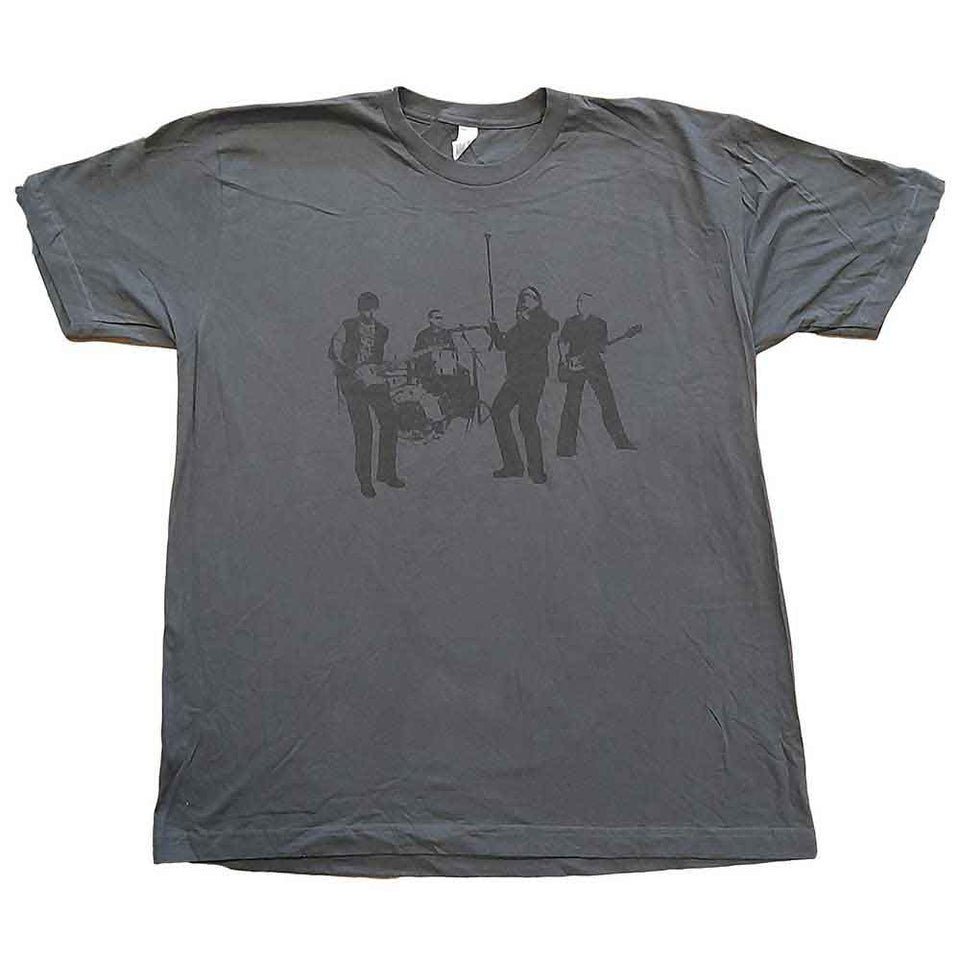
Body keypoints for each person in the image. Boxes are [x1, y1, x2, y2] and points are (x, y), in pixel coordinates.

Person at [328, 292, 405, 498]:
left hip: (375, 381)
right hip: (353, 383)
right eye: (365, 310)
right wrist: (352, 368)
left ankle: (386, 473)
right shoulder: (347, 326)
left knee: (390, 422)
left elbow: (387, 356)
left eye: (372, 310)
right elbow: (334, 351)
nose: (369, 313)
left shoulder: (382, 331)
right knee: (364, 430)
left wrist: (388, 365)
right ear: (359, 309)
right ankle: (365, 480)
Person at [489, 286, 558, 484]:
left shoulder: (542, 320)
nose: (525, 300)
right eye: (523, 297)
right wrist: (494, 329)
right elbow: (504, 344)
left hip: (533, 379)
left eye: (530, 297)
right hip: (515, 379)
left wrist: (528, 320)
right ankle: (513, 465)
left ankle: (536, 471)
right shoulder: (520, 324)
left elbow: (551, 327)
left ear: (537, 301)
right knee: (498, 411)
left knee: (526, 420)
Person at [556, 293, 636, 457]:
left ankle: (621, 441)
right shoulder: (570, 322)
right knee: (571, 405)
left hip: (595, 366)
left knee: (608, 402)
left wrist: (621, 337)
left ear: (591, 304)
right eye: (579, 301)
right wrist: (564, 361)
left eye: (584, 301)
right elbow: (562, 343)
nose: (580, 304)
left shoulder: (600, 323)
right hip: (575, 367)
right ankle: (565, 448)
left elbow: (603, 346)